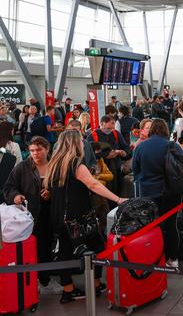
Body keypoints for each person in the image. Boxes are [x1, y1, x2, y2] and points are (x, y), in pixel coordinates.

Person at [45, 130, 126, 303]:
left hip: (60, 216)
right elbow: (93, 184)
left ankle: (68, 290)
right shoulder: (76, 163)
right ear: (75, 144)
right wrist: (118, 199)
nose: (83, 144)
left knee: (65, 253)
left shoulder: (54, 163)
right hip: (79, 216)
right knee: (99, 248)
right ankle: (95, 285)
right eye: (81, 141)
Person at [3, 136, 63, 295]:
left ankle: (44, 278)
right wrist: (15, 196)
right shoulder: (22, 167)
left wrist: (52, 193)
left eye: (39, 150)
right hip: (29, 216)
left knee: (47, 245)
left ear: (47, 149)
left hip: (51, 213)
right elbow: (8, 188)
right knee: (33, 247)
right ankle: (37, 279)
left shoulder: (55, 165)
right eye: (32, 150)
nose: (35, 153)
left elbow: (63, 188)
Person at [132, 119, 183, 267]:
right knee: (171, 225)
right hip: (171, 192)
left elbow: (135, 170)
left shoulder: (141, 147)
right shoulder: (172, 145)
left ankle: (155, 257)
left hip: (148, 193)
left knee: (152, 226)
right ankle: (173, 259)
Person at [86, 115, 131, 194]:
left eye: (113, 128)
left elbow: (126, 148)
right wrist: (106, 155)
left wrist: (125, 154)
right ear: (102, 124)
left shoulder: (116, 133)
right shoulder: (92, 136)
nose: (111, 130)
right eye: (108, 128)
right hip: (101, 172)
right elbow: (88, 155)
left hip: (117, 169)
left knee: (118, 191)